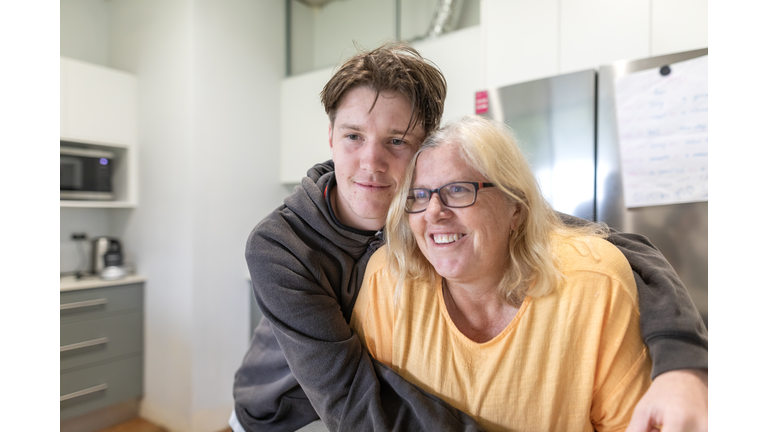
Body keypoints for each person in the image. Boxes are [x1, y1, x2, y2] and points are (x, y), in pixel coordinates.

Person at [232, 42, 708, 432]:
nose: (371, 163)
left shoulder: (427, 204)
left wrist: (684, 365)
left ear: (424, 149)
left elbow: (615, 245)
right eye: (354, 136)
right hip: (289, 413)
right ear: (331, 136)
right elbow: (353, 404)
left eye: (396, 141)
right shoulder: (279, 246)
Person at [351, 115, 652, 431]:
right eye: (420, 195)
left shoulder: (593, 282)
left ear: (516, 207)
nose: (434, 213)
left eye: (458, 189)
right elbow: (367, 413)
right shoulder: (389, 278)